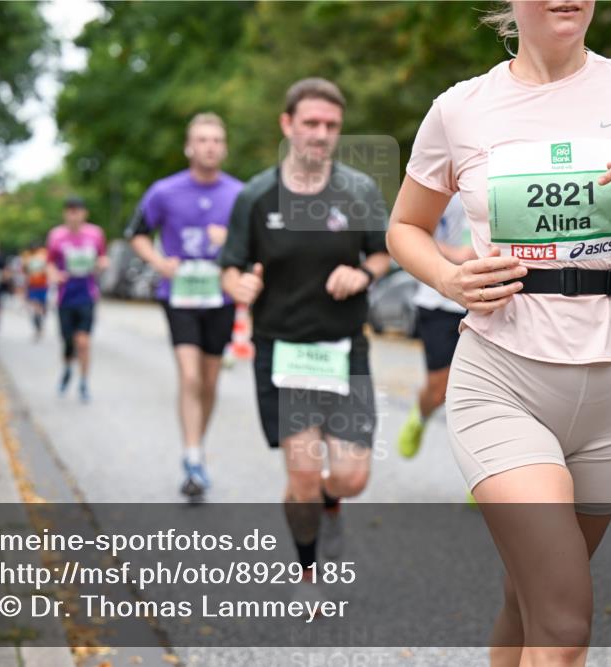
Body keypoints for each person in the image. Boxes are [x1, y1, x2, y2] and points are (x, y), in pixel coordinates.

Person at [386, 2, 611, 663]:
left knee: (527, 597)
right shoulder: (460, 108)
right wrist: (449, 279)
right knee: (562, 620)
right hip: (502, 375)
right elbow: (405, 227)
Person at [220, 78, 391, 573]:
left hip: (344, 351)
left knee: (351, 477)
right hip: (282, 353)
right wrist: (238, 286)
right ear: (287, 125)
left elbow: (384, 253)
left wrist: (361, 272)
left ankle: (331, 504)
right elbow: (231, 264)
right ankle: (308, 571)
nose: (321, 134)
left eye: (331, 125)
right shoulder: (256, 196)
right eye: (311, 123)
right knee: (302, 477)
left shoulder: (358, 191)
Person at [127, 113, 243, 499]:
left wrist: (228, 242)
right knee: (190, 376)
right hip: (179, 296)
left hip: (221, 295)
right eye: (202, 139)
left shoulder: (240, 195)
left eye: (216, 140)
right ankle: (192, 456)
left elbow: (252, 246)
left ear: (224, 148)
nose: (209, 146)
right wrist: (159, 263)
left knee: (210, 380)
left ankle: (197, 447)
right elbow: (137, 234)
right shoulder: (164, 191)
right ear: (189, 147)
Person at [398, 194, 474, 459]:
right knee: (440, 390)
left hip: (490, 297)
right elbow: (407, 232)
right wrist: (457, 254)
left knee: (485, 392)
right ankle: (420, 416)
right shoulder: (444, 181)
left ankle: (485, 471)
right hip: (440, 301)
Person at [46, 197, 108, 403]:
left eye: (78, 211)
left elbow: (102, 258)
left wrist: (101, 265)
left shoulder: (95, 234)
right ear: (65, 213)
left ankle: (83, 382)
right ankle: (67, 369)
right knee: (68, 342)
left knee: (84, 341)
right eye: (70, 211)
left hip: (87, 295)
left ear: (84, 213)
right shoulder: (56, 236)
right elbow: (50, 263)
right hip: (65, 297)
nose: (74, 215)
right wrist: (54, 275)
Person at [22, 241, 49, 341]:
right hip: (32, 285)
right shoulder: (27, 257)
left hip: (43, 285)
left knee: (42, 306)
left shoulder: (44, 255)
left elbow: (48, 268)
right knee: (35, 307)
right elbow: (25, 271)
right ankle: (38, 325)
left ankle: (40, 322)